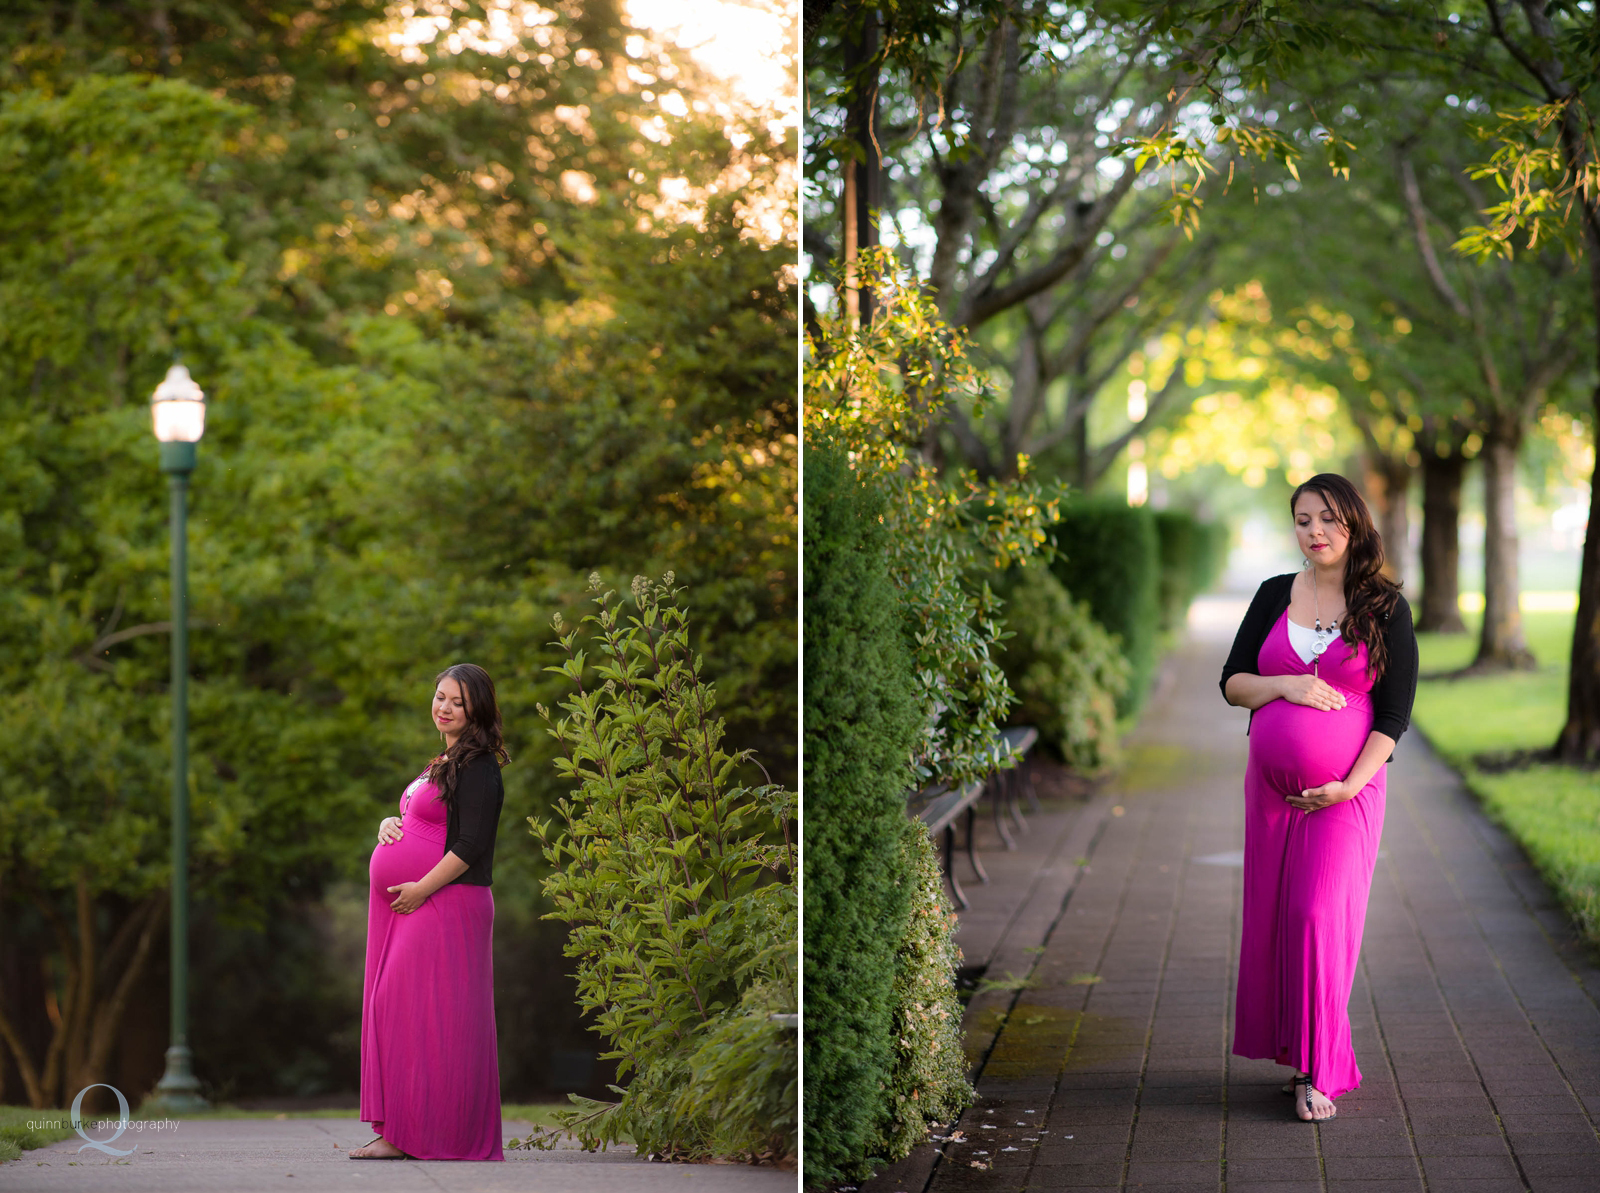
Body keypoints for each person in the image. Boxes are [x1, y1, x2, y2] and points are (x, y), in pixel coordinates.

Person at [1219, 473, 1418, 1122]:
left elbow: (1392, 717)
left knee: (1315, 916)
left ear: (1354, 525)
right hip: (1270, 793)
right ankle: (1298, 1050)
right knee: (1276, 921)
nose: (1316, 531)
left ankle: (1319, 1070)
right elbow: (1232, 683)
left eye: (1329, 518)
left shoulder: (1385, 606)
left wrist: (1348, 785)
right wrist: (1288, 687)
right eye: (1304, 519)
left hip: (1344, 793)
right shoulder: (1276, 593)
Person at [348, 663, 510, 1160]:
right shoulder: (445, 759)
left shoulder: (481, 766)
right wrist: (387, 822)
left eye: (456, 701)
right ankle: (403, 1130)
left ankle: (429, 1134)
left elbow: (470, 844)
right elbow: (424, 818)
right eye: (440, 696)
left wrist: (420, 888)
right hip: (419, 901)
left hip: (448, 902)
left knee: (430, 1016)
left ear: (476, 708)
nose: (444, 707)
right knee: (400, 1009)